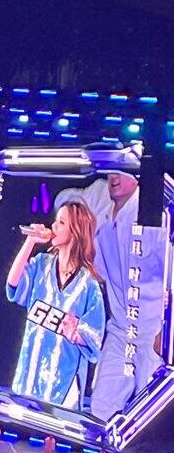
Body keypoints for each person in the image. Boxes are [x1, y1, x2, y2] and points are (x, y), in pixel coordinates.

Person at [7, 201, 105, 408]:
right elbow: (13, 284)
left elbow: (95, 337)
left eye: (61, 222)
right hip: (28, 377)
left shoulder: (89, 285)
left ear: (75, 231)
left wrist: (76, 333)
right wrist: (30, 242)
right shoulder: (41, 264)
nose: (53, 226)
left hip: (64, 385)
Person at [88, 173, 166, 420]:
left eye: (122, 172)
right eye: (112, 170)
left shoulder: (153, 216)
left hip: (152, 330)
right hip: (121, 329)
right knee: (101, 406)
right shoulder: (103, 220)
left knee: (151, 412)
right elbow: (100, 272)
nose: (115, 177)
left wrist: (165, 333)